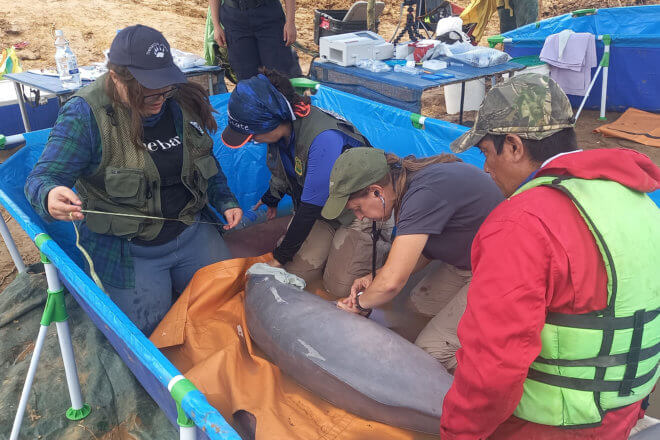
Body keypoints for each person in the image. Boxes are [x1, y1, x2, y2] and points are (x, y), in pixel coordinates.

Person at [440, 73, 660, 439]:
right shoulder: (637, 201)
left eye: (486, 152)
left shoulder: (521, 223)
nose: (486, 169)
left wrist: (458, 433)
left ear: (512, 145)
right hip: (621, 412)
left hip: (546, 425)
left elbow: (494, 365)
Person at [25, 25, 243, 335]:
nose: (158, 98)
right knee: (152, 334)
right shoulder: (85, 114)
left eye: (164, 87)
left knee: (228, 307)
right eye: (146, 90)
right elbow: (41, 177)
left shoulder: (176, 100)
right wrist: (49, 194)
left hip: (191, 231)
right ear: (115, 77)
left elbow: (205, 163)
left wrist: (225, 199)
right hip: (132, 250)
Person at [321, 148, 504, 371]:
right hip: (466, 260)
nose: (359, 217)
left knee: (431, 354)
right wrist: (374, 276)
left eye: (358, 208)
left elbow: (392, 283)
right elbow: (426, 251)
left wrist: (359, 304)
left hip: (500, 268)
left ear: (376, 191)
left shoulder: (423, 193)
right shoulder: (407, 184)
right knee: (415, 310)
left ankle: (493, 367)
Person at [221, 69, 391, 297]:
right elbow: (285, 168)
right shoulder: (283, 130)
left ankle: (375, 248)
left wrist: (278, 258)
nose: (254, 140)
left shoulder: (324, 140)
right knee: (297, 273)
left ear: (273, 121)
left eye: (252, 135)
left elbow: (308, 211)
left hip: (360, 211)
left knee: (338, 288)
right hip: (324, 211)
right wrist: (272, 197)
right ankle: (334, 249)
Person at [209, 0, 302, 81]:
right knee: (246, 76)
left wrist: (290, 22)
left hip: (269, 17)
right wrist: (216, 25)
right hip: (235, 20)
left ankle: (283, 100)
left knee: (279, 73)